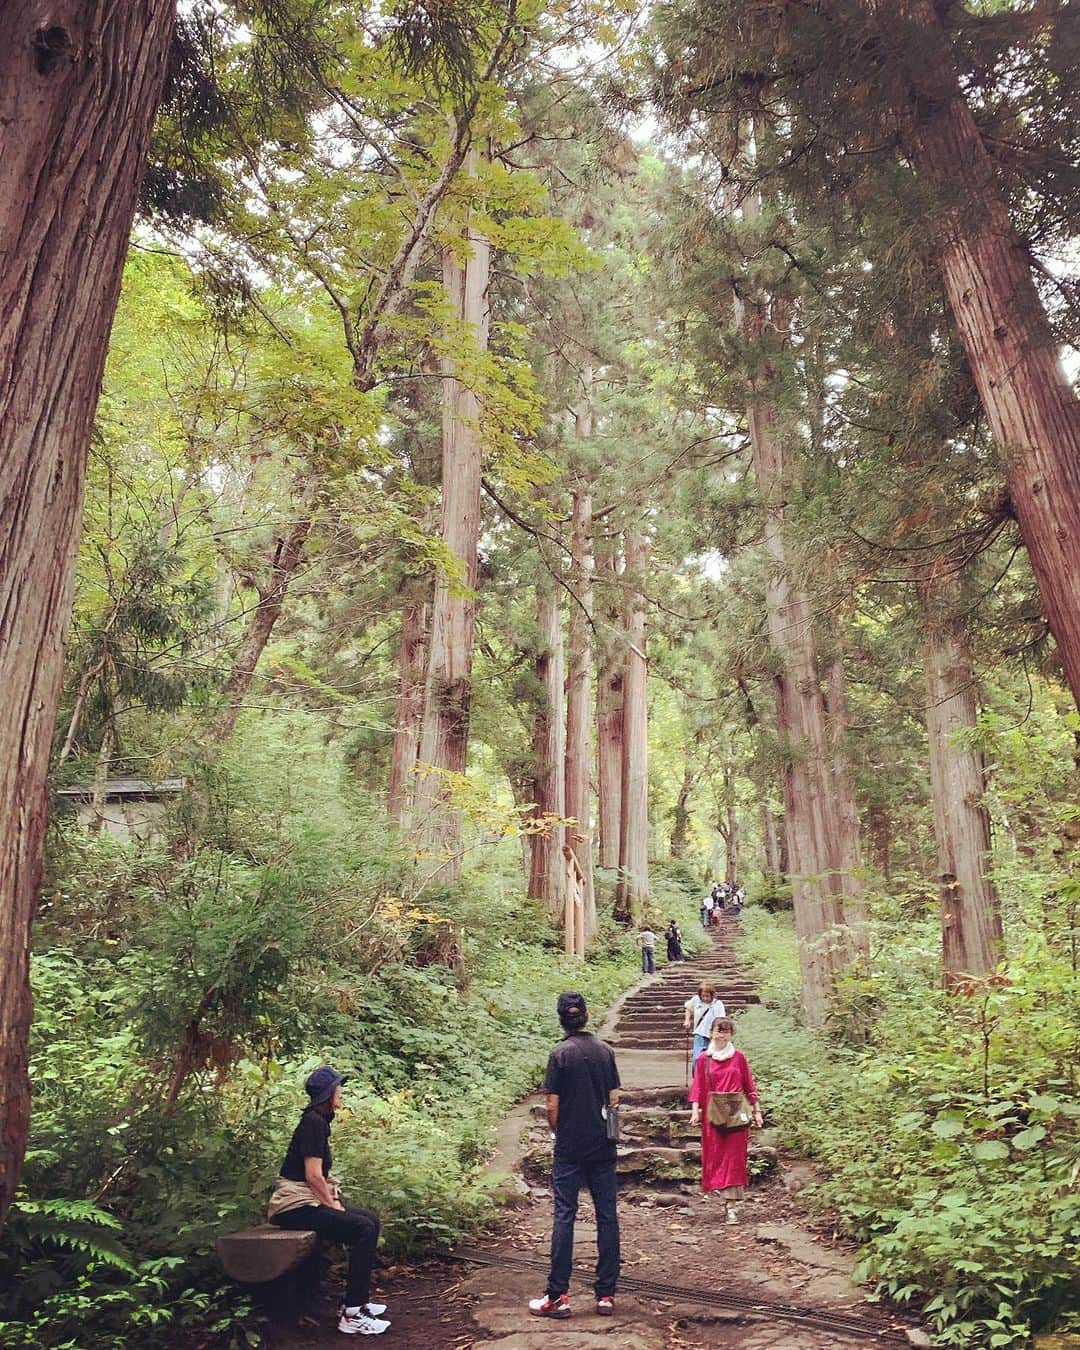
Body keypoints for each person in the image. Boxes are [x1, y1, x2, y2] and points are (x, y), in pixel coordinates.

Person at [268, 1066, 389, 1337]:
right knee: (363, 1228)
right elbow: (313, 1176)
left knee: (370, 1219)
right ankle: (353, 1314)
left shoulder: (318, 1121)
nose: (341, 1093)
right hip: (294, 1206)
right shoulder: (313, 1123)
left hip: (305, 1201)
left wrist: (332, 1205)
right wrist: (333, 1206)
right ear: (327, 1094)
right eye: (338, 1088)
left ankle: (357, 1301)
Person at [529, 992, 621, 1320]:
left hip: (569, 1147)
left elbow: (552, 1104)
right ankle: (607, 1294)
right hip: (602, 1145)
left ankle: (558, 1296)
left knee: (564, 1215)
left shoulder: (559, 1054)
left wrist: (558, 1131)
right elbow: (614, 1098)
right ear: (586, 1015)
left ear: (560, 1018)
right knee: (607, 1215)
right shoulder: (604, 1051)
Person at [688, 1018, 763, 1224]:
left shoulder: (739, 1057)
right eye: (718, 1031)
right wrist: (695, 1111)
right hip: (713, 1114)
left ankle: (732, 1206)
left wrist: (757, 1111)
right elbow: (698, 1088)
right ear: (711, 1033)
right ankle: (724, 1195)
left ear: (732, 1034)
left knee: (734, 1158)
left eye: (726, 1031)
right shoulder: (704, 1059)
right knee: (717, 1156)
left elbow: (749, 1085)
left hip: (737, 1112)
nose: (722, 1035)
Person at [682, 982, 725, 1067]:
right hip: (699, 1034)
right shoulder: (696, 1000)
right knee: (697, 1059)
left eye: (707, 996)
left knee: (712, 1059)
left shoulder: (718, 1004)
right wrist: (687, 1020)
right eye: (703, 996)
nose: (705, 998)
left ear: (712, 995)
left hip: (713, 1036)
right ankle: (697, 1078)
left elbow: (721, 1020)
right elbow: (688, 1008)